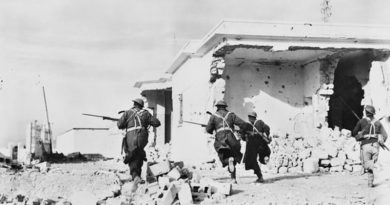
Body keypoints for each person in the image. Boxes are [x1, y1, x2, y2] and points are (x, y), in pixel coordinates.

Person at [117, 98, 161, 190]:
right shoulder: (146, 113)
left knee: (131, 155)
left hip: (130, 137)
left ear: (134, 104)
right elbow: (157, 123)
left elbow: (119, 125)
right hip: (142, 137)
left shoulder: (127, 113)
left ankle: (135, 176)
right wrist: (147, 122)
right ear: (141, 106)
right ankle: (137, 176)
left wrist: (128, 123)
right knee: (139, 155)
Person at [206, 100, 246, 183]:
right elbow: (243, 124)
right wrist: (240, 133)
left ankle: (228, 161)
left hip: (221, 139)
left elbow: (208, 129)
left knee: (223, 156)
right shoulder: (231, 115)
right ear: (225, 107)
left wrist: (214, 129)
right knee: (233, 155)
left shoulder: (214, 116)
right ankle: (233, 179)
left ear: (217, 107)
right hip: (232, 138)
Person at [352, 105, 388, 187]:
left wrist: (361, 134)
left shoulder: (361, 121)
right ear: (373, 113)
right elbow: (385, 135)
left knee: (367, 164)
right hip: (376, 146)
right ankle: (370, 182)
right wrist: (381, 141)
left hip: (365, 146)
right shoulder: (378, 123)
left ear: (365, 112)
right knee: (372, 164)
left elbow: (354, 133)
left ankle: (369, 177)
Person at [242, 111, 271, 183]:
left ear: (249, 117)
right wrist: (266, 135)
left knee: (252, 160)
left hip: (251, 144)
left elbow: (242, 135)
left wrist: (245, 138)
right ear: (255, 117)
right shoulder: (260, 122)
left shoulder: (246, 125)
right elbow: (267, 128)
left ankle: (260, 176)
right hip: (261, 142)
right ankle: (265, 158)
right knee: (263, 153)